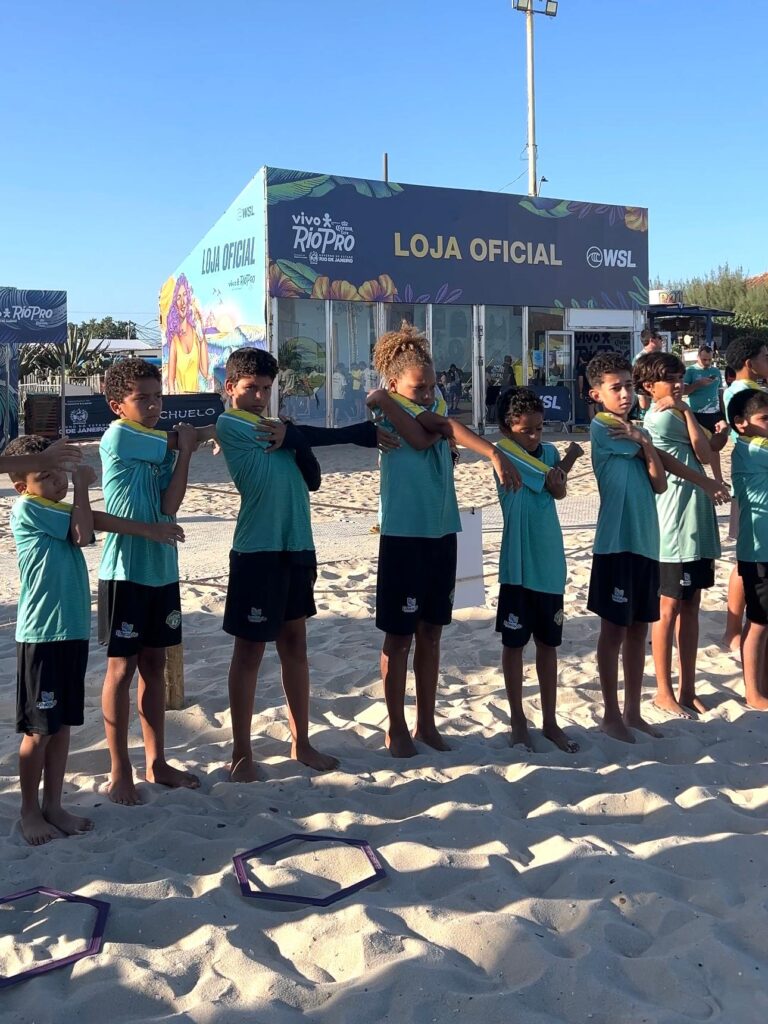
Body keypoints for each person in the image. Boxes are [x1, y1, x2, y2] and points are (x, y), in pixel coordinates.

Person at [216, 347, 398, 782]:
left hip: (297, 544)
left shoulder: (282, 430)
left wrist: (296, 439)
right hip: (257, 550)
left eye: (266, 389)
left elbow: (312, 479)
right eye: (251, 388)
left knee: (295, 645)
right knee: (249, 652)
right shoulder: (231, 423)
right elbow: (307, 439)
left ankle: (301, 741)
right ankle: (241, 751)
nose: (259, 397)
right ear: (230, 388)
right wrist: (351, 434)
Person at [4, 433, 184, 844]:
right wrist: (83, 485)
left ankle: (53, 805)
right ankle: (30, 810)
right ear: (21, 485)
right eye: (45, 476)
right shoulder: (28, 509)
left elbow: (94, 521)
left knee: (62, 725)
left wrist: (148, 530)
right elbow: (84, 531)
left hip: (71, 631)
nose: (57, 482)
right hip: (42, 634)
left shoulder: (54, 508)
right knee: (38, 730)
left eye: (59, 473)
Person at [365, 324, 519, 758]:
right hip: (403, 533)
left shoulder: (430, 405)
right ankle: (396, 727)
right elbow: (420, 437)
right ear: (393, 384)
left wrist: (447, 429)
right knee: (399, 636)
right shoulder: (385, 405)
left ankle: (426, 723)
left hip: (442, 529)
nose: (428, 394)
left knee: (432, 632)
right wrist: (492, 452)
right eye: (419, 387)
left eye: (433, 386)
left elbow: (440, 423)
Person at [586, 352, 727, 743]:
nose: (624, 394)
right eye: (615, 388)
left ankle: (632, 711)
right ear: (596, 394)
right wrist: (702, 480)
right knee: (613, 632)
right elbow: (665, 459)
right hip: (616, 542)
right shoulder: (604, 426)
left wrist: (645, 444)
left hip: (647, 542)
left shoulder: (634, 431)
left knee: (637, 630)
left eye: (628, 386)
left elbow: (660, 481)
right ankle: (611, 714)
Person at [98, 358, 215, 805]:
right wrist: (202, 434)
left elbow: (170, 504)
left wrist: (184, 453)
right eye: (141, 398)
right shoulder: (120, 435)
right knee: (121, 669)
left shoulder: (162, 446)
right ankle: (119, 768)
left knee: (154, 666)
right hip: (124, 570)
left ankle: (156, 760)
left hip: (161, 569)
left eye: (158, 397)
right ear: (117, 405)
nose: (152, 405)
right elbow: (179, 437)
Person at [494, 387, 583, 752]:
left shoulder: (548, 453)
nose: (534, 436)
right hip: (517, 564)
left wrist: (564, 464)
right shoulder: (503, 453)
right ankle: (518, 719)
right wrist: (569, 459)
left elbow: (558, 491)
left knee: (548, 645)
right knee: (514, 645)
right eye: (525, 430)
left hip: (548, 561)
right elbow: (550, 481)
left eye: (539, 428)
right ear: (507, 428)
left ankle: (549, 721)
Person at [636, 352, 723, 717]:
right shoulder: (659, 416)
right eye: (669, 379)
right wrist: (686, 411)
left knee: (692, 604)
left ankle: (687, 689)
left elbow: (707, 450)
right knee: (669, 606)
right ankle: (664, 690)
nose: (677, 385)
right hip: (672, 519)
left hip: (695, 514)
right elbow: (701, 455)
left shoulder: (678, 410)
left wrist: (688, 411)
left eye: (679, 377)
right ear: (649, 386)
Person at [720, 336, 768, 652]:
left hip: (752, 479)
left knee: (746, 561)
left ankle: (733, 630)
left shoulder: (741, 389)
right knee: (746, 562)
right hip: (754, 480)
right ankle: (732, 630)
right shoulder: (746, 393)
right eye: (766, 356)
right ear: (750, 363)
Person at [728, 387, 768, 710]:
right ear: (741, 422)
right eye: (765, 419)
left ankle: (761, 686)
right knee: (758, 622)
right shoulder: (753, 448)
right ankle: (753, 693)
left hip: (760, 548)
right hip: (758, 550)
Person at [166, 274, 210, 394]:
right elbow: (171, 380)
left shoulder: (197, 336)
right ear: (175, 303)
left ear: (189, 298)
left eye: (185, 295)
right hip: (181, 400)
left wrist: (202, 339)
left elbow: (205, 371)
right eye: (178, 297)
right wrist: (173, 399)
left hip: (196, 399)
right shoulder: (175, 340)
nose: (182, 302)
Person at [683, 345, 723, 433]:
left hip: (714, 413)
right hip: (695, 413)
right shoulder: (690, 370)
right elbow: (684, 391)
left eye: (710, 360)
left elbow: (720, 392)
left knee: (714, 438)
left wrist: (723, 413)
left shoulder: (716, 371)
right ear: (698, 357)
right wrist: (698, 384)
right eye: (704, 360)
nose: (707, 362)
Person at [632, 329, 663, 417]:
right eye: (659, 338)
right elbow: (636, 383)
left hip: (657, 404)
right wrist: (643, 403)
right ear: (652, 340)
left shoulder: (657, 357)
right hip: (646, 409)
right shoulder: (640, 359)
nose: (662, 341)